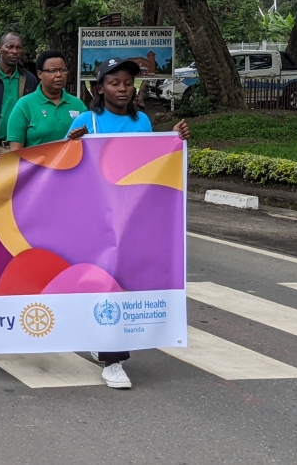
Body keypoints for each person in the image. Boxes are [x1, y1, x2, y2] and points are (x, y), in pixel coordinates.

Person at [64, 57, 189, 389]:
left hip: (132, 221)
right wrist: (72, 146)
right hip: (97, 222)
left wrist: (175, 139)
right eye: (114, 82)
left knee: (123, 284)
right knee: (105, 282)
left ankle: (105, 342)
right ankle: (113, 360)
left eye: (127, 83)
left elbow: (151, 163)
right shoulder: (88, 122)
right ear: (99, 87)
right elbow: (62, 170)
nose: (122, 88)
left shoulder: (143, 122)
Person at [6, 50, 86, 150]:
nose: (59, 75)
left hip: (73, 165)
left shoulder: (78, 105)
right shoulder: (24, 106)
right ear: (39, 74)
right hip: (37, 165)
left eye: (63, 70)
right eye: (52, 71)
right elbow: (15, 153)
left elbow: (88, 143)